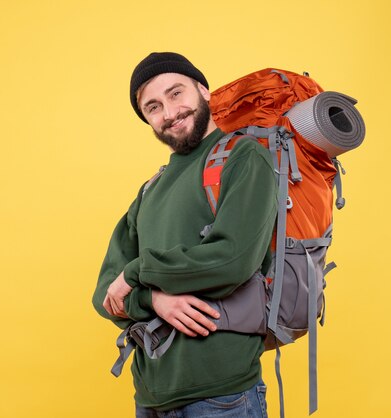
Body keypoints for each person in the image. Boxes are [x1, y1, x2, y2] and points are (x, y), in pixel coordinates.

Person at [92, 52, 278, 417]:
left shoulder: (243, 158)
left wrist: (136, 274)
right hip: (150, 397)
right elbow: (104, 292)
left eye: (176, 93)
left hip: (223, 396)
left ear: (204, 91)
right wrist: (153, 300)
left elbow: (232, 260)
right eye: (154, 107)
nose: (170, 112)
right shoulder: (151, 189)